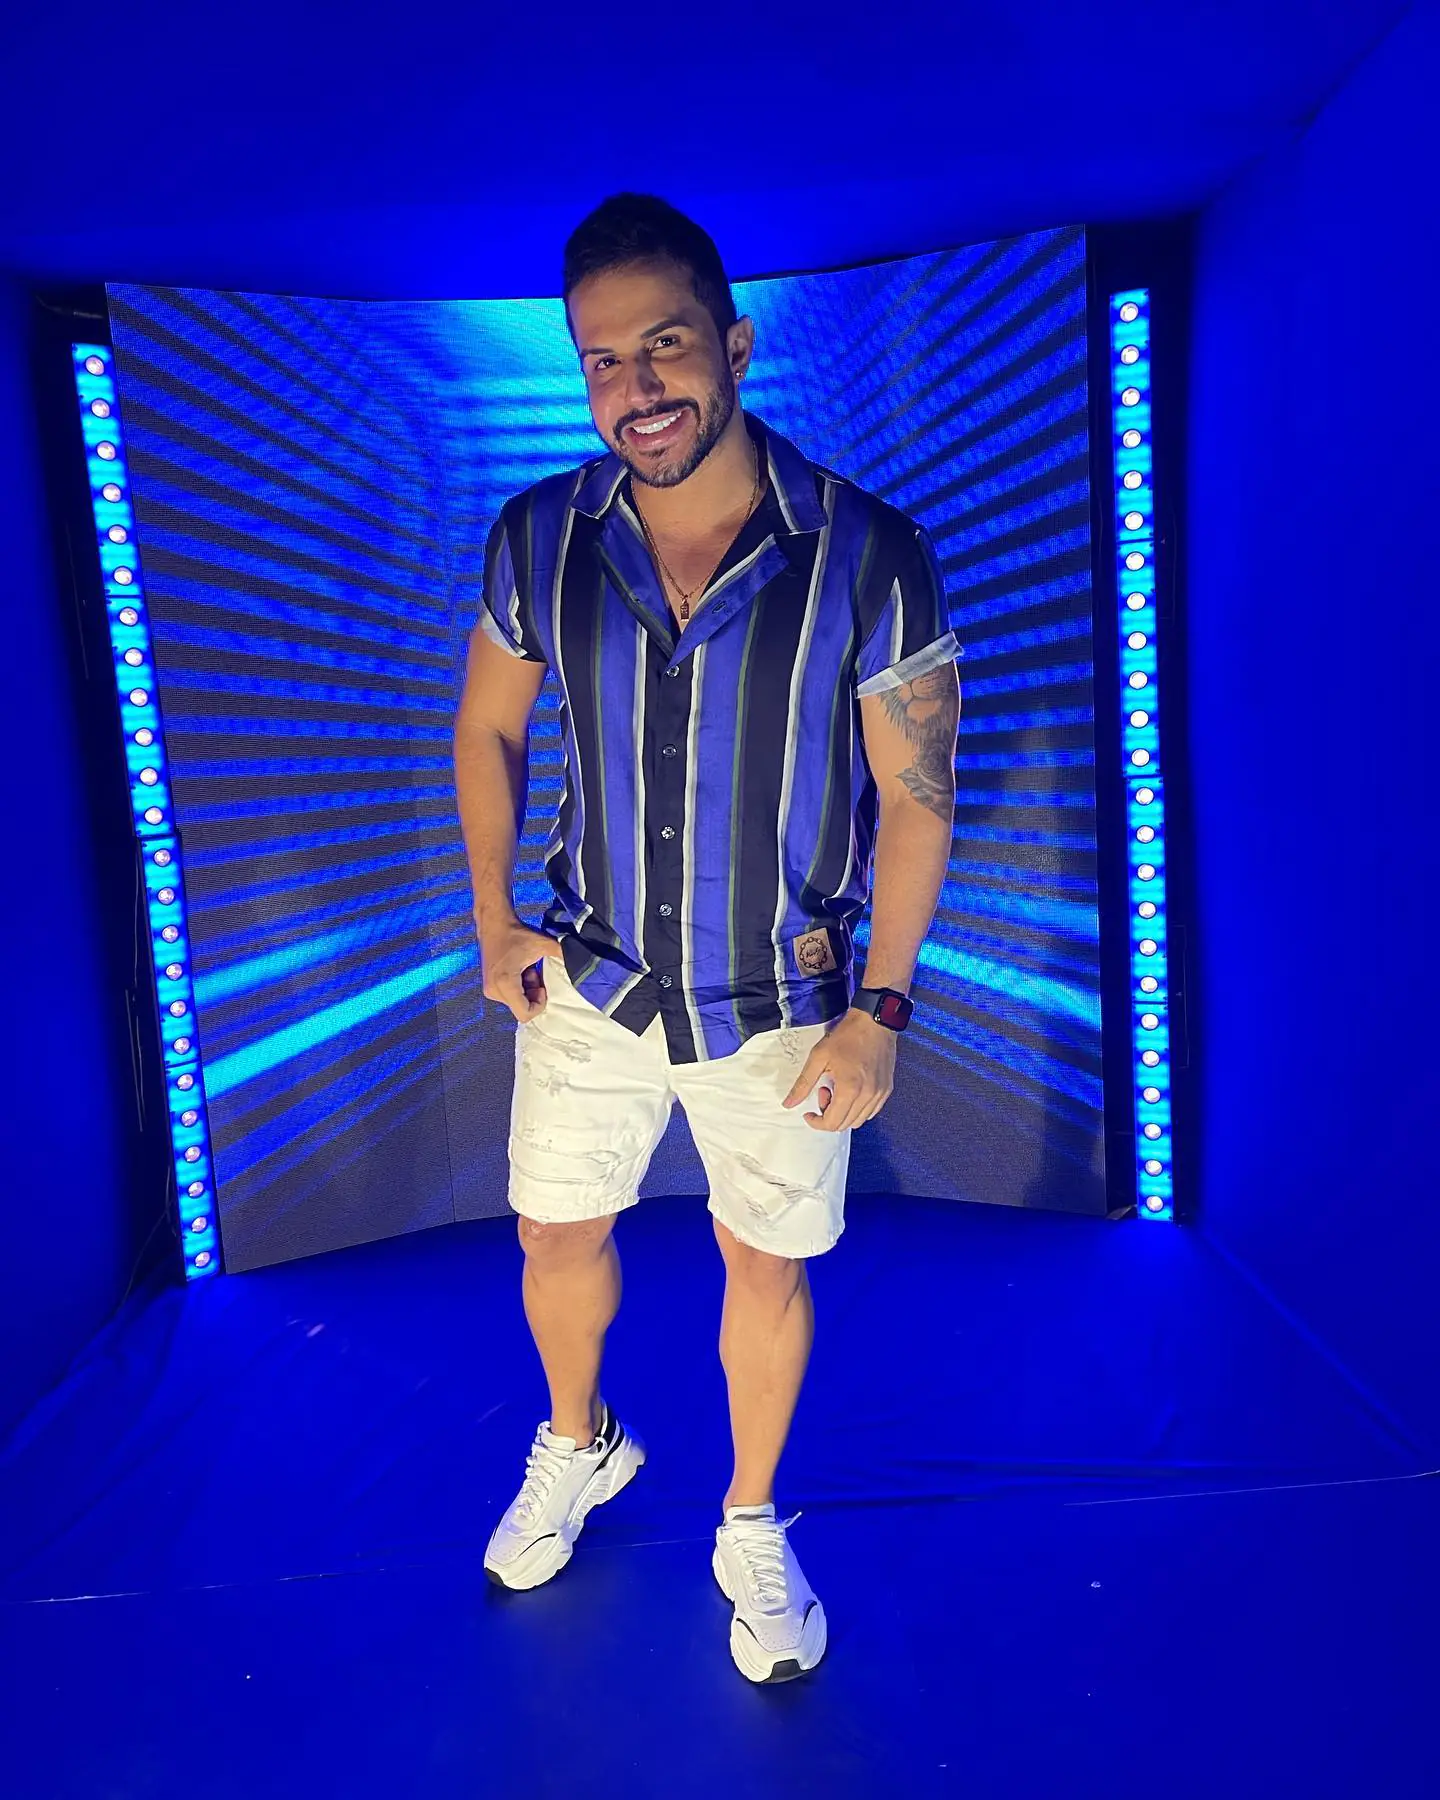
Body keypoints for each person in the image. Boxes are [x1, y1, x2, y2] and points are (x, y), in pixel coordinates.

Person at [452, 193, 961, 1683]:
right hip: (591, 977)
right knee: (555, 1230)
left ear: (734, 344)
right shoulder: (537, 536)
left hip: (786, 1003)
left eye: (665, 344)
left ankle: (749, 1518)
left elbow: (917, 795)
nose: (638, 388)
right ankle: (580, 1442)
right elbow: (487, 728)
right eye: (603, 361)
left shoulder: (870, 553)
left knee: (763, 1259)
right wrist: (493, 917)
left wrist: (882, 1008)